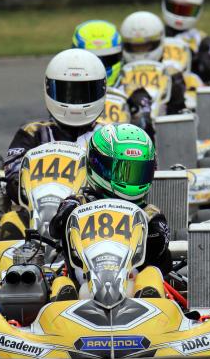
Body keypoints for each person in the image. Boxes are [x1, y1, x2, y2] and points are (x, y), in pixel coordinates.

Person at [49, 123, 172, 300]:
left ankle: (151, 297)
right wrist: (67, 213)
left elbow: (163, 260)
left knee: (151, 274)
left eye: (138, 172)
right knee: (60, 281)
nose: (131, 180)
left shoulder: (150, 214)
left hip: (134, 290)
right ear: (98, 165)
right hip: (83, 285)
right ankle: (62, 301)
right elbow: (54, 229)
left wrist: (154, 234)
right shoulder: (78, 203)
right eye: (124, 171)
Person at [3, 49, 107, 205]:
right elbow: (13, 173)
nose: (76, 101)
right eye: (67, 93)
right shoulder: (34, 132)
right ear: (49, 88)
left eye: (85, 93)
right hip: (37, 209)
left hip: (92, 212)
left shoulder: (108, 135)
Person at [72, 18, 155, 135]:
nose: (100, 65)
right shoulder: (69, 93)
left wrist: (139, 116)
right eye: (93, 60)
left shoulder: (135, 92)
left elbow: (149, 132)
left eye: (107, 59)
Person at [120, 10, 187, 115]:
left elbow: (180, 110)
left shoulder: (170, 74)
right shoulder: (120, 75)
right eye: (136, 47)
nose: (140, 51)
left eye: (145, 46)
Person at [162, 0, 210, 84]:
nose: (180, 15)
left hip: (190, 87)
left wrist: (195, 59)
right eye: (176, 8)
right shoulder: (156, 35)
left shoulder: (201, 39)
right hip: (159, 84)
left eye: (186, 10)